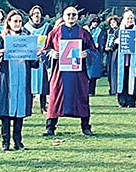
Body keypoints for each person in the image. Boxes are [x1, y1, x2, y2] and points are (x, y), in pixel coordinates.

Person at [42, 7, 99, 137]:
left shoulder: (84, 33)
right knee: (55, 98)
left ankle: (86, 127)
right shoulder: (55, 32)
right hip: (60, 72)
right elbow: (45, 50)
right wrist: (52, 54)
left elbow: (94, 51)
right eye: (68, 14)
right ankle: (50, 127)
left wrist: (87, 53)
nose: (71, 17)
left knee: (82, 98)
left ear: (77, 16)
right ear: (63, 16)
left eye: (74, 14)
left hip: (78, 72)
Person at [0, 10, 37, 151]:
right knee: (6, 111)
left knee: (20, 111)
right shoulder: (0, 38)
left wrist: (35, 55)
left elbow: (34, 64)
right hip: (7, 78)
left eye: (19, 21)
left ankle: (18, 141)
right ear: (9, 22)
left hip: (23, 78)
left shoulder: (27, 38)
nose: (17, 24)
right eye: (14, 21)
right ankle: (5, 142)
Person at [108, 9, 136, 108]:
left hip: (133, 60)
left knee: (132, 81)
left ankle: (131, 102)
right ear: (123, 19)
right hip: (120, 61)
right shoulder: (118, 31)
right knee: (121, 80)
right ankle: (122, 101)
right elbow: (110, 46)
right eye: (127, 18)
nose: (129, 20)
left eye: (131, 18)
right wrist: (115, 42)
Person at [24, 6, 51, 112]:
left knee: (43, 83)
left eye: (38, 13)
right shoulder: (26, 28)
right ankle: (29, 106)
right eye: (34, 13)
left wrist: (43, 50)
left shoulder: (47, 27)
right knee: (29, 83)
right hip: (30, 58)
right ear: (31, 15)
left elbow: (50, 41)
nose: (36, 15)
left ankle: (43, 106)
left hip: (43, 57)